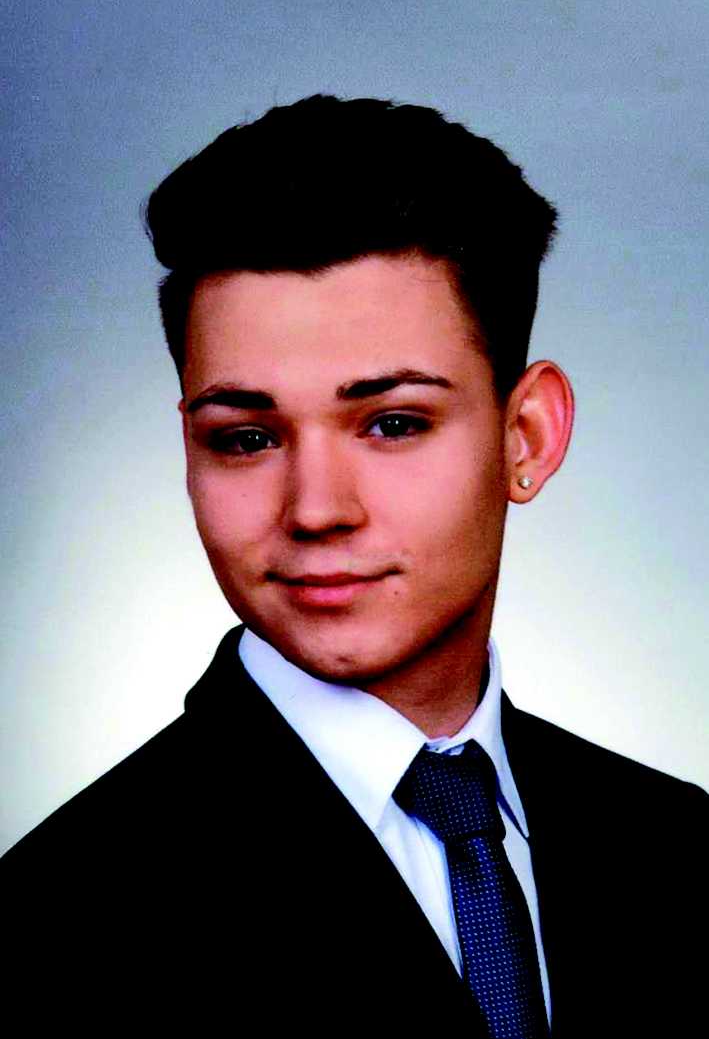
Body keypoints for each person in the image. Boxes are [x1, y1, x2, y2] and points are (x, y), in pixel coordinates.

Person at [2, 95, 706, 1036]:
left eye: (393, 423)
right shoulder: (54, 923)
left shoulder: (682, 846)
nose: (315, 508)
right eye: (246, 437)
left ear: (527, 435)